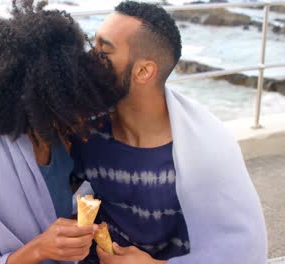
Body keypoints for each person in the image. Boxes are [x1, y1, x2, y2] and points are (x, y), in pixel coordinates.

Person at [71, 1, 268, 264]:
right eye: (93, 45)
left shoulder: (207, 147)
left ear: (143, 71)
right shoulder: (85, 130)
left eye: (103, 52)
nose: (88, 59)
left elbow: (244, 252)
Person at [0, 1, 125, 263]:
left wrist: (76, 227)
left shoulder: (58, 139)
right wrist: (40, 249)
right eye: (72, 86)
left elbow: (50, 205)